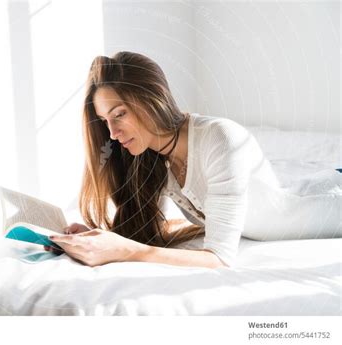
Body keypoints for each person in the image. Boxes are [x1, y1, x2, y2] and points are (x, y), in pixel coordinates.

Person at [44, 51, 341, 268]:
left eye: (119, 114)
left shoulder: (221, 139)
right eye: (105, 120)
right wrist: (100, 238)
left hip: (327, 203)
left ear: (152, 99)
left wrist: (124, 250)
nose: (113, 133)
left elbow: (220, 258)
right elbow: (152, 231)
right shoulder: (153, 158)